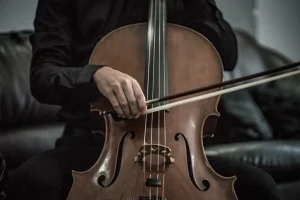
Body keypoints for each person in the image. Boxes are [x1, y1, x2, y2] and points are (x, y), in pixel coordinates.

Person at [4, 0, 280, 199]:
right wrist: (94, 76)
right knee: (31, 182)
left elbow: (227, 55)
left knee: (259, 186)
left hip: (181, 151)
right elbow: (43, 75)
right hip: (94, 145)